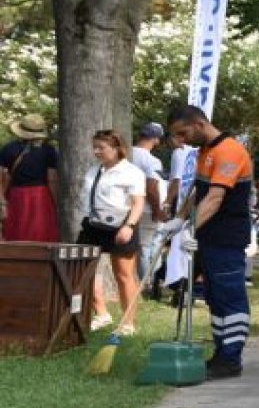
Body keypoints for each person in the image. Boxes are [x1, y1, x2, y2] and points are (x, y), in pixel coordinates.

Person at [166, 104, 254, 379]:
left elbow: (215, 199)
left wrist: (190, 229)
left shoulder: (230, 151)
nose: (180, 141)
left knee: (230, 296)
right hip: (208, 236)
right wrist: (180, 220)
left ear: (198, 125)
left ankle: (231, 358)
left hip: (227, 236)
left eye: (183, 133)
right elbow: (198, 192)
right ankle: (221, 353)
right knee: (215, 297)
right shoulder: (205, 151)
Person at [77, 129, 146, 335]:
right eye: (94, 147)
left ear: (117, 149)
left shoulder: (131, 172)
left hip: (120, 226)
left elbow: (138, 202)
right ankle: (102, 313)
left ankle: (127, 323)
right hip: (92, 225)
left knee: (123, 275)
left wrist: (129, 226)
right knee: (82, 270)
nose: (96, 151)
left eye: (101, 147)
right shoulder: (93, 170)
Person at [0, 114, 60, 242]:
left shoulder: (8, 148)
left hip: (16, 195)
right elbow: (52, 179)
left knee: (16, 231)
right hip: (40, 196)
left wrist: (2, 200)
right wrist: (55, 201)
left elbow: (3, 175)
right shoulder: (48, 150)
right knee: (42, 232)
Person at [131, 122, 168, 280]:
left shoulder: (126, 154)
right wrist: (157, 210)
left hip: (127, 208)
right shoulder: (151, 160)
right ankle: (146, 282)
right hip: (146, 208)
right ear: (156, 139)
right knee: (146, 246)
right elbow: (151, 187)